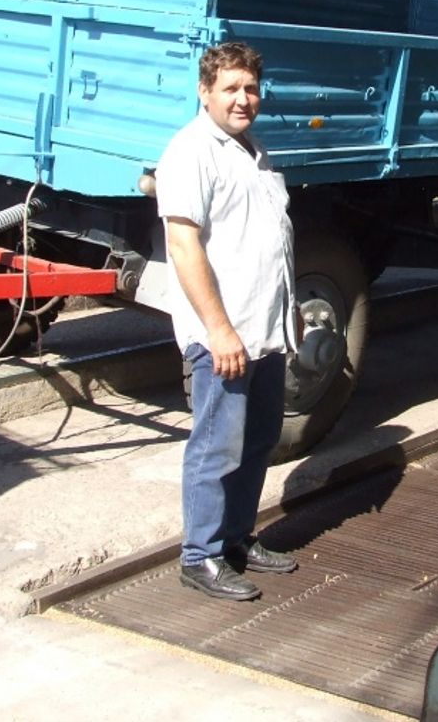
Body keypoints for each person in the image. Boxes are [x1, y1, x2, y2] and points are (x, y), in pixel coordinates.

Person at [156, 41, 299, 600]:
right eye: (231, 89)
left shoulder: (252, 151)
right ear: (205, 91)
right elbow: (184, 245)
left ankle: (238, 537)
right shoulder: (193, 151)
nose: (244, 99)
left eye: (251, 89)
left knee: (259, 439)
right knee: (217, 446)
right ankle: (201, 555)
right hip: (224, 336)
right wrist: (218, 329)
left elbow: (270, 243)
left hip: (263, 332)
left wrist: (289, 319)